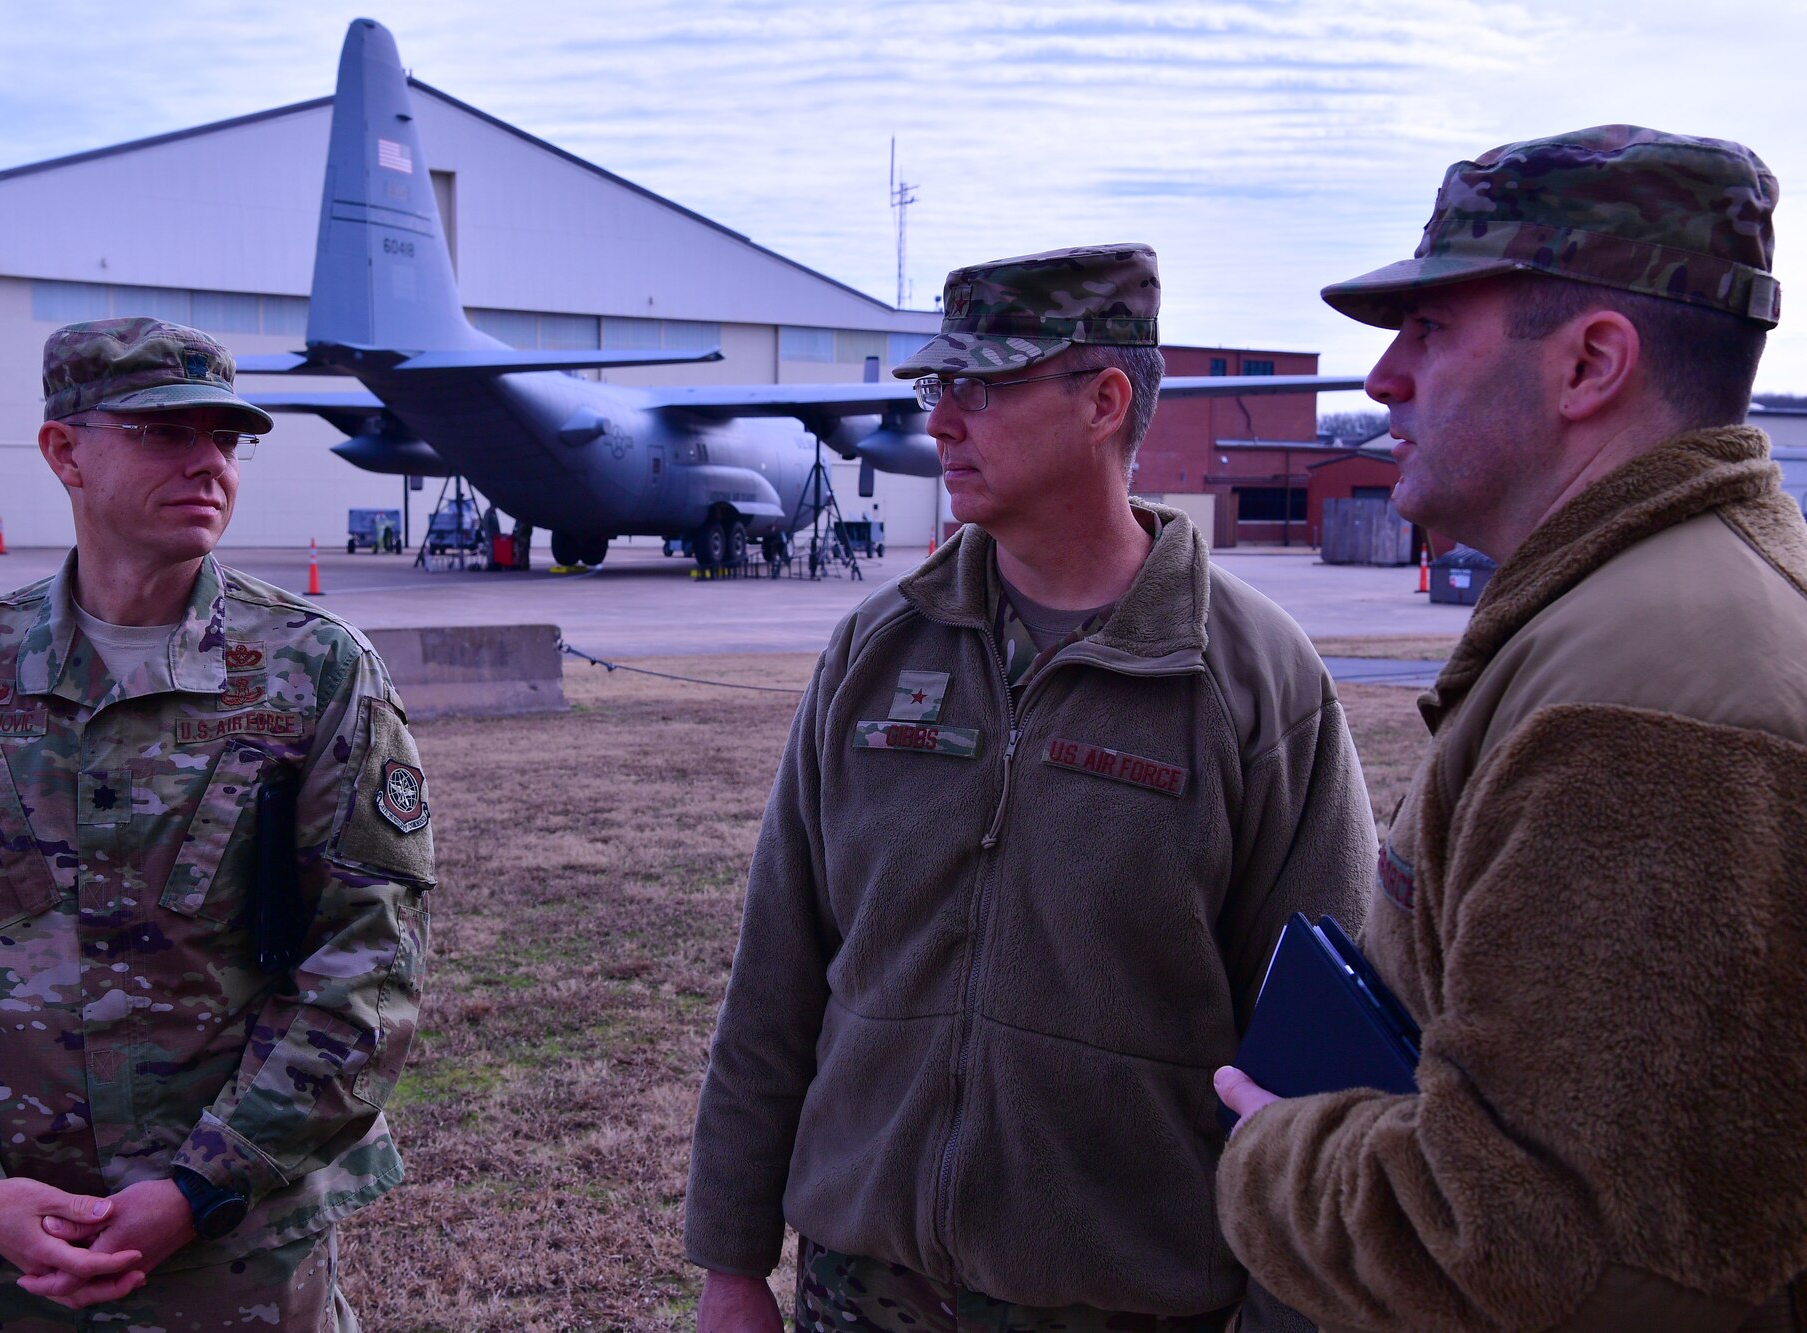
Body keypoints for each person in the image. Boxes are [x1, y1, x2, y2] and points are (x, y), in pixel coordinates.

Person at [685, 245, 1376, 1331]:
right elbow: (774, 977)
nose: (940, 421)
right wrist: (730, 1264)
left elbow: (1317, 1072)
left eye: (985, 386)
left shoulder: (1251, 682)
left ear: (1103, 401)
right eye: (936, 386)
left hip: (1126, 1301)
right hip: (860, 1291)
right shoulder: (873, 651)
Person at [1213, 126, 1807, 1331]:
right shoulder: (1647, 617)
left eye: (1429, 329)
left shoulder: (1641, 699)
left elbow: (1528, 1246)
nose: (1381, 378)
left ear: (1588, 364)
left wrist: (1272, 1151)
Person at [0, 317, 436, 1330]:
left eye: (226, 439)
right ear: (64, 450)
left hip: (228, 1260)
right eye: (163, 432)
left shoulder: (313, 672)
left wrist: (196, 1190)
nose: (208, 462)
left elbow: (366, 970)